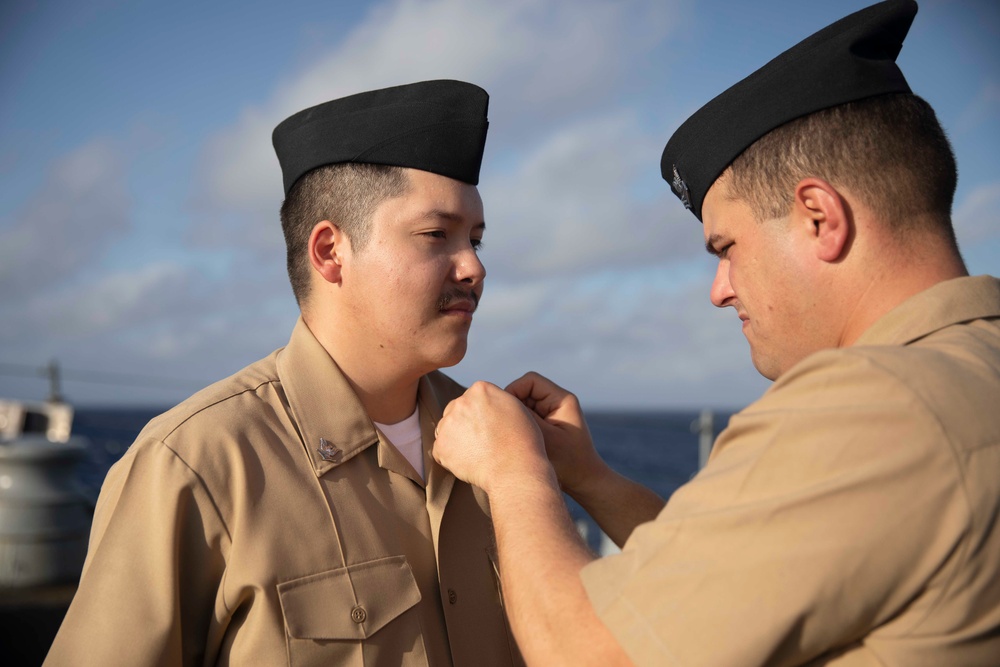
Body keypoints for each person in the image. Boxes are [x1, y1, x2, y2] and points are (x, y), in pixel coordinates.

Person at [432, 2, 1000, 665]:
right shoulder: (970, 367)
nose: (720, 288)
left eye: (726, 247)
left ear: (820, 217)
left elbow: (590, 654)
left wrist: (514, 471)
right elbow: (737, 583)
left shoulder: (873, 404)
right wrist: (593, 479)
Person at [45, 80, 524, 666]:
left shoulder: (505, 445)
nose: (475, 266)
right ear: (330, 252)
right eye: (435, 235)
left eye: (475, 239)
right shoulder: (198, 463)